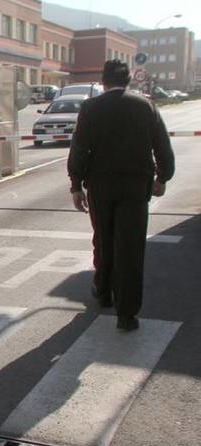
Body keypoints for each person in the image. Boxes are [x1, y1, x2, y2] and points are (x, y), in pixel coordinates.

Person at [67, 60, 175, 331]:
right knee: (131, 247)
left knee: (103, 238)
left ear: (103, 82)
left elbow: (79, 148)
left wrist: (76, 184)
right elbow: (162, 145)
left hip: (101, 186)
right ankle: (127, 314)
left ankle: (103, 291)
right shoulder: (146, 106)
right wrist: (162, 177)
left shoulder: (91, 108)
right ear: (128, 81)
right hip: (136, 187)